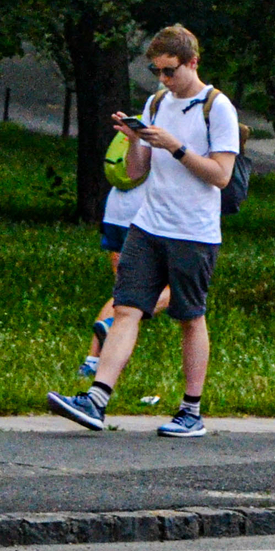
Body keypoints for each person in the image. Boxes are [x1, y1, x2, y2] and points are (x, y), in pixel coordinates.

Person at [46, 25, 239, 436]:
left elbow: (221, 176)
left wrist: (175, 145)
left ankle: (191, 410)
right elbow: (136, 172)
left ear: (192, 62)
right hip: (149, 226)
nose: (165, 80)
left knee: (190, 317)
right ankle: (97, 399)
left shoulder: (216, 107)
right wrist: (135, 140)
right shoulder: (156, 102)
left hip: (194, 233)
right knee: (126, 307)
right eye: (157, 72)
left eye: (171, 71)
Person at [79, 137, 169, 378]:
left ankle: (91, 361)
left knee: (122, 290)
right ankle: (111, 326)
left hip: (117, 210)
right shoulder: (169, 129)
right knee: (176, 289)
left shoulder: (137, 125)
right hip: (144, 215)